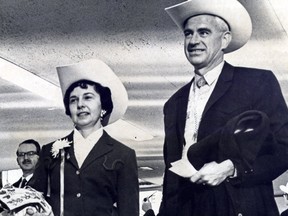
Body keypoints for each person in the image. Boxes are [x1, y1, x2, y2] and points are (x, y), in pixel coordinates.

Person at [143, 0, 288, 216]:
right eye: (188, 33)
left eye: (203, 32)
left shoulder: (256, 82)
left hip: (237, 204)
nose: (193, 41)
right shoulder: (173, 103)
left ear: (225, 39)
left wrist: (232, 168)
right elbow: (171, 175)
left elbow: (284, 149)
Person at [28, 59, 139, 216]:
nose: (80, 104)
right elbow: (33, 197)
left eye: (88, 97)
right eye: (73, 100)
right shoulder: (50, 151)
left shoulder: (123, 155)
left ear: (103, 106)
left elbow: (129, 211)